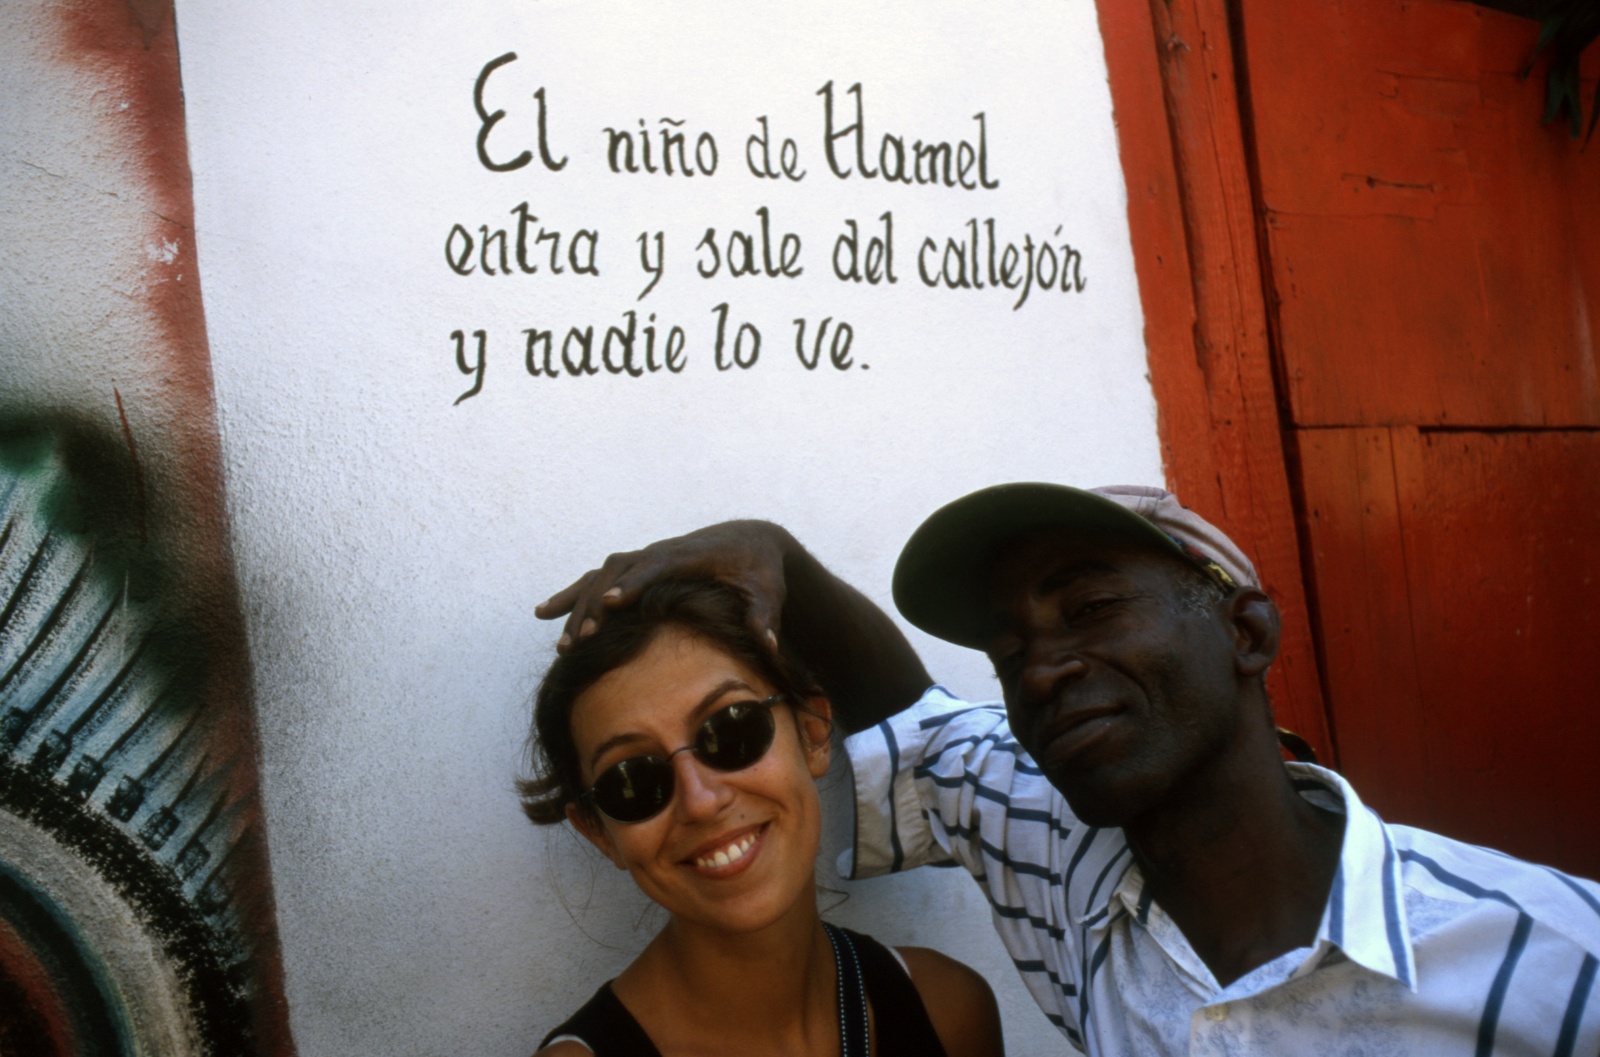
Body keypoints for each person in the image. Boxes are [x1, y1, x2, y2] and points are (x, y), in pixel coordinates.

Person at [537, 483, 1600, 1056]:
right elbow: (918, 722)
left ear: (1245, 630)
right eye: (1010, 651)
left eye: (1090, 607)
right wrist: (777, 552)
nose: (1043, 668)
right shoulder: (1055, 853)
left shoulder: (1558, 963)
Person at [523, 577, 1003, 1057]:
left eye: (731, 730)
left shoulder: (947, 1012)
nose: (701, 801)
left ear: (812, 731)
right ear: (598, 832)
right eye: (632, 780)